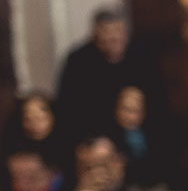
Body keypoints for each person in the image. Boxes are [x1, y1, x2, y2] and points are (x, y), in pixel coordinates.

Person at [54, 7, 162, 140]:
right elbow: (68, 107)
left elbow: (157, 102)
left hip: (139, 133)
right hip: (95, 134)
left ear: (126, 32)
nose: (113, 37)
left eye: (118, 30)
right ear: (94, 34)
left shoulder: (143, 56)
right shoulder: (78, 60)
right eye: (106, 31)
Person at [2, 93, 64, 175]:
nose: (34, 125)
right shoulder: (12, 148)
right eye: (28, 119)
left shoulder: (64, 147)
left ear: (52, 117)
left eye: (39, 119)